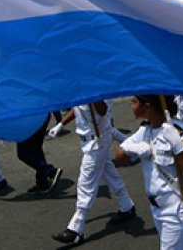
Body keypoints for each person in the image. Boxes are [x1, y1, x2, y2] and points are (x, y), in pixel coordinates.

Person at [114, 95, 183, 249]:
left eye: (134, 101)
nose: (131, 105)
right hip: (157, 209)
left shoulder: (179, 133)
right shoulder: (146, 130)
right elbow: (119, 156)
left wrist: (178, 148)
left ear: (147, 106)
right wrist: (132, 148)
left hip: (178, 208)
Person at [49, 100, 137, 246]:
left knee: (85, 183)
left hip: (98, 142)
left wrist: (93, 94)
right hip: (87, 142)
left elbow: (102, 111)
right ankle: (127, 206)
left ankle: (75, 229)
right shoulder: (84, 88)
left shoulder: (100, 90)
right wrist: (61, 124)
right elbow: (77, 109)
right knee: (110, 174)